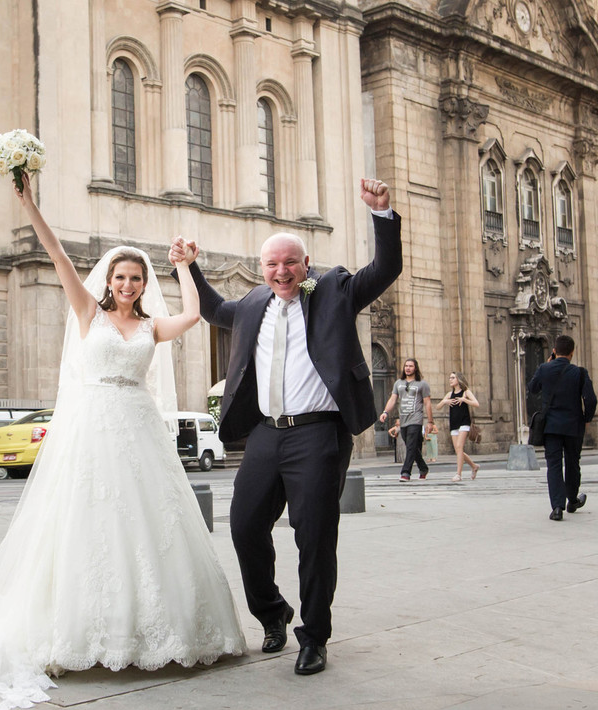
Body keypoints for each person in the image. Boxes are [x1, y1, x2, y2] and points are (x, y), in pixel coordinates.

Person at [0, 175, 245, 710]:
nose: (130, 284)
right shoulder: (89, 311)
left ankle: (151, 630)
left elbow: (193, 314)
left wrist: (182, 264)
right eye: (122, 276)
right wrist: (31, 207)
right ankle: (82, 632)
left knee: (147, 523)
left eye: (137, 277)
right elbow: (58, 255)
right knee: (86, 521)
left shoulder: (152, 327)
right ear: (109, 280)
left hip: (137, 428)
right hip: (91, 430)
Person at [175, 178, 402, 676]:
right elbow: (214, 309)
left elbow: (385, 268)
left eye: (290, 263)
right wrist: (189, 267)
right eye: (272, 265)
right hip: (266, 432)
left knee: (314, 536)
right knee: (243, 526)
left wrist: (381, 215)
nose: (282, 272)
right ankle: (272, 613)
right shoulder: (254, 304)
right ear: (263, 269)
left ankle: (314, 636)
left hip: (318, 433)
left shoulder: (334, 291)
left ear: (305, 265)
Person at [527, 334, 597, 521]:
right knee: (573, 463)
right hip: (574, 426)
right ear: (572, 353)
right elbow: (591, 399)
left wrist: (546, 365)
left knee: (554, 465)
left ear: (555, 351)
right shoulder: (580, 373)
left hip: (551, 427)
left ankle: (557, 507)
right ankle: (572, 499)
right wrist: (587, 418)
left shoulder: (544, 369)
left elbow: (532, 388)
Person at [380, 359, 437, 482]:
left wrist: (430, 422)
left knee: (411, 446)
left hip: (416, 419)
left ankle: (405, 472)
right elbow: (393, 399)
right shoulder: (398, 383)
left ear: (415, 368)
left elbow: (427, 403)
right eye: (406, 366)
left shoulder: (422, 384)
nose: (408, 368)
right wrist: (385, 412)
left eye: (411, 366)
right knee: (412, 447)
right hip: (403, 420)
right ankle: (423, 468)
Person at [435, 372, 480, 482]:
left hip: (464, 422)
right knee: (458, 450)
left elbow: (476, 403)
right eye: (450, 378)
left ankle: (458, 474)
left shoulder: (466, 392)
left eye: (453, 378)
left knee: (459, 447)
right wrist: (445, 401)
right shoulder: (449, 394)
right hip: (454, 423)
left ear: (458, 379)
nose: (450, 380)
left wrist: (464, 400)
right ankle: (474, 466)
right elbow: (437, 407)